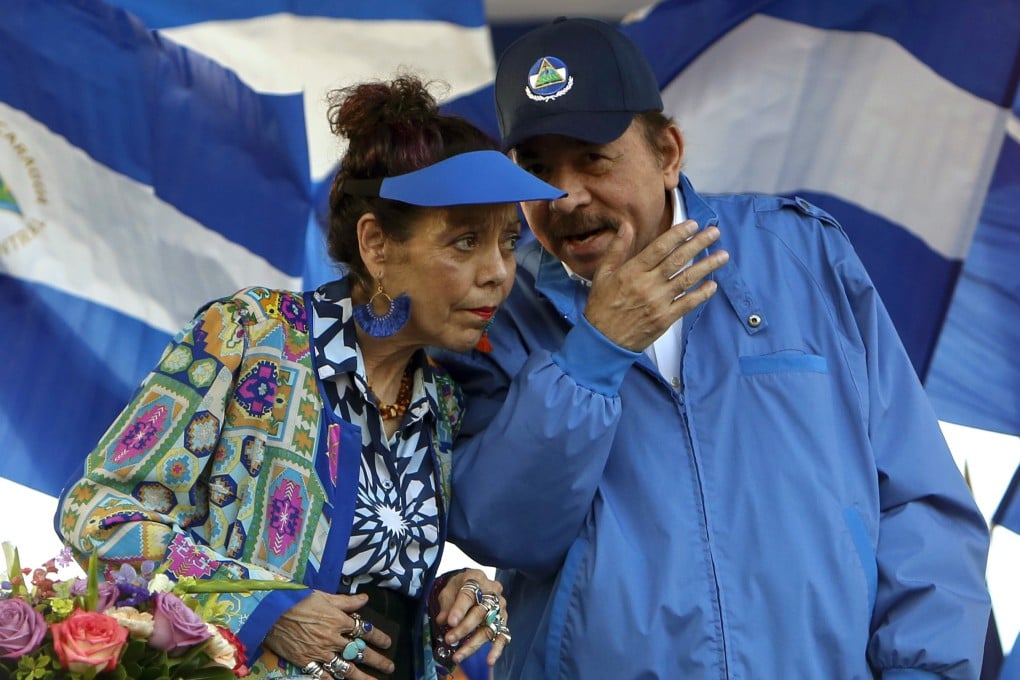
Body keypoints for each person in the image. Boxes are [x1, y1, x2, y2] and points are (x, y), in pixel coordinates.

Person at [432, 17, 992, 680]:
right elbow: (505, 529)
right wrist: (596, 352)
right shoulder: (496, 311)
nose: (567, 195)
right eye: (538, 170)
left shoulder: (802, 255)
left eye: (591, 157)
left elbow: (918, 504)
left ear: (668, 152)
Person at [54, 75, 563, 680]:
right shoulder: (249, 336)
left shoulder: (444, 403)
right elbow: (94, 512)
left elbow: (366, 593)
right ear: (376, 245)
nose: (499, 273)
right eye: (465, 242)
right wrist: (265, 605)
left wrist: (451, 598)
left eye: (507, 242)